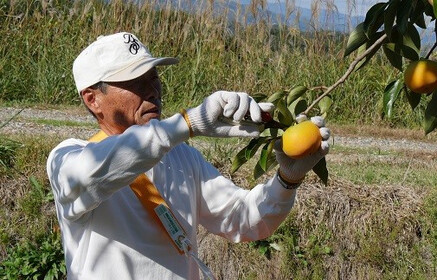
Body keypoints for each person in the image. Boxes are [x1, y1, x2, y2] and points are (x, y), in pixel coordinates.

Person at [46, 32, 330, 280]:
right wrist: (187, 123)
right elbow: (97, 169)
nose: (152, 91)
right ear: (92, 99)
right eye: (134, 82)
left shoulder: (180, 157)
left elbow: (244, 218)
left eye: (153, 77)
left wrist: (287, 180)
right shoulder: (67, 160)